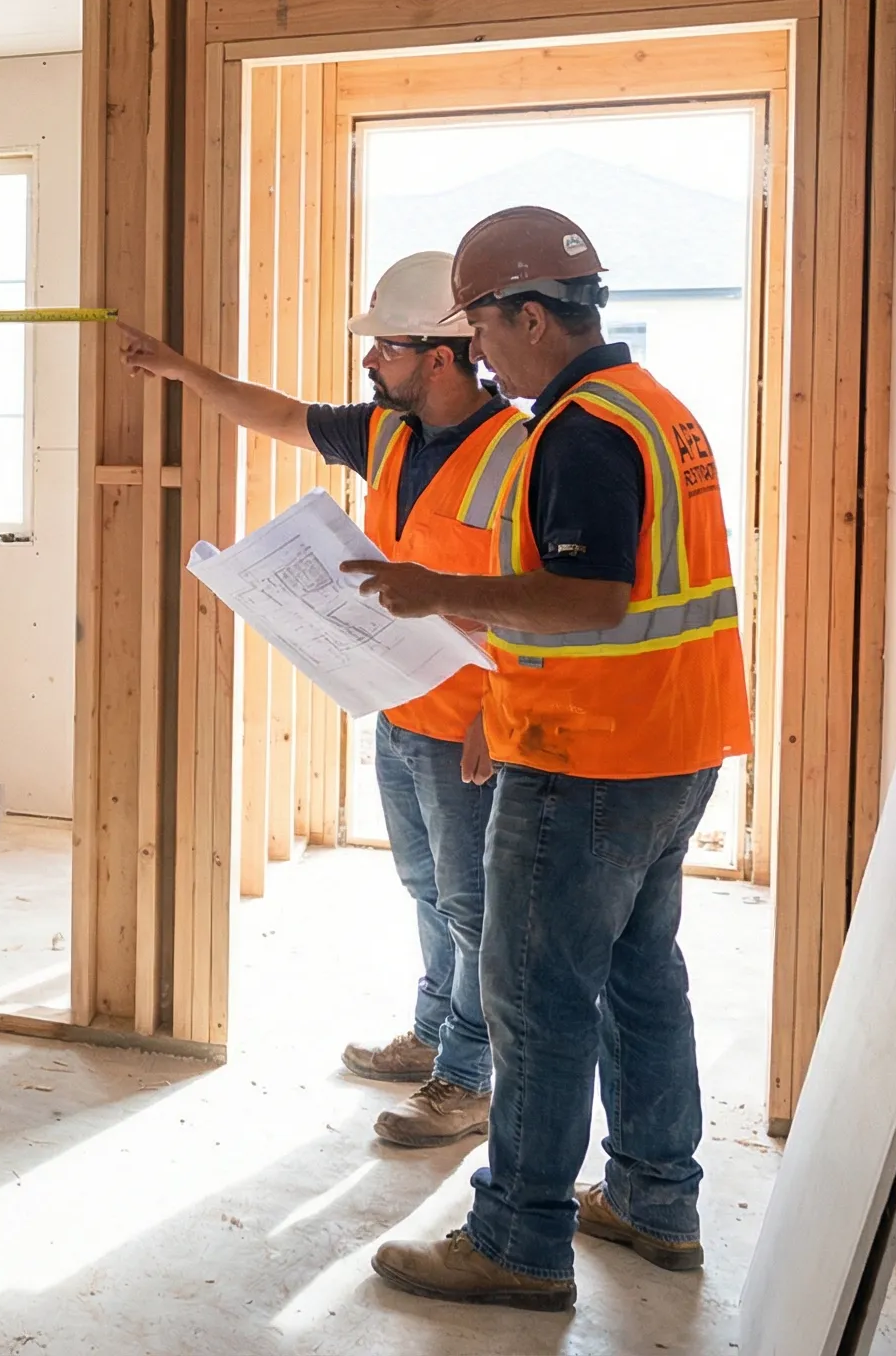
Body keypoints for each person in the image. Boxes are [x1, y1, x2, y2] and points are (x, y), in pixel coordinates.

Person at [353, 208, 750, 1311]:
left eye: (482, 327)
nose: (478, 354)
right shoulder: (653, 406)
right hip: (670, 745)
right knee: (641, 982)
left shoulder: (580, 429)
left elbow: (589, 598)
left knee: (535, 1000)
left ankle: (518, 1242)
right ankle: (654, 1203)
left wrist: (437, 593)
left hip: (587, 755)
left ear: (532, 315)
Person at [120, 250, 528, 1149]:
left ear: (442, 356)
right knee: (427, 889)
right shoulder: (387, 433)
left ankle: (468, 1082)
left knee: (474, 908)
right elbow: (278, 415)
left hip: (472, 723)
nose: (369, 361)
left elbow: (539, 601)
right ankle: (433, 1034)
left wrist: (501, 715)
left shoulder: (520, 454)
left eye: (385, 347)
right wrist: (184, 371)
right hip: (400, 705)